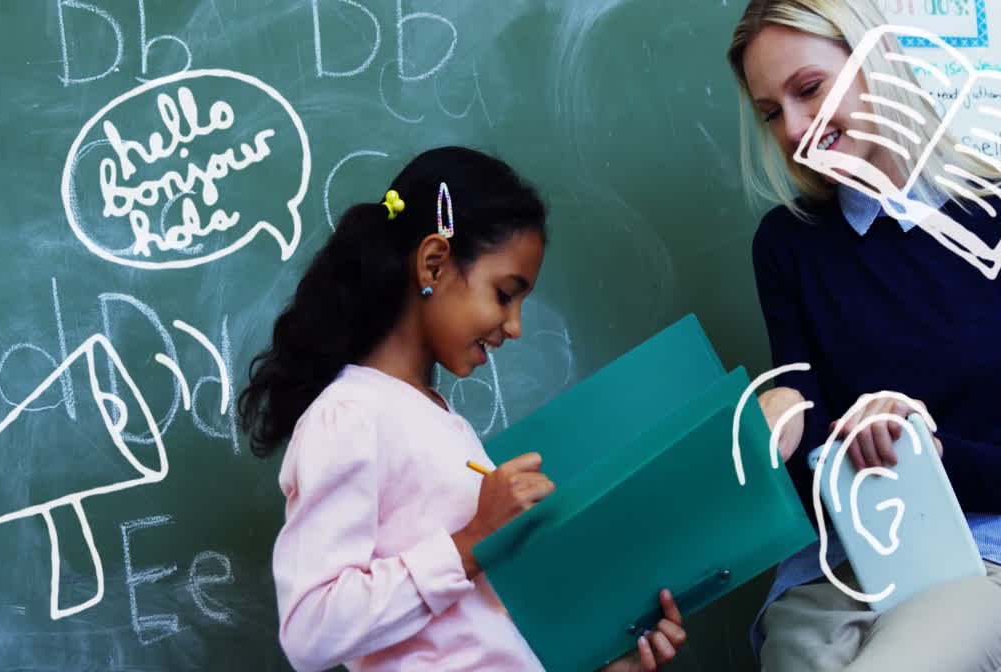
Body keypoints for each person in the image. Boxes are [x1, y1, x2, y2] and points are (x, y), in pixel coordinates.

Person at [729, 0, 1001, 672]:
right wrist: (781, 434)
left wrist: (931, 459)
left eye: (809, 90)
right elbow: (807, 440)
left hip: (986, 566)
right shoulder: (787, 247)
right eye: (770, 111)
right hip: (830, 577)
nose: (795, 128)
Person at [238, 147, 687, 672]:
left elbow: (471, 638)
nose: (515, 325)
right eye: (505, 294)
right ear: (434, 263)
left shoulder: (436, 417)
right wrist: (472, 542)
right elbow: (310, 629)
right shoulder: (351, 415)